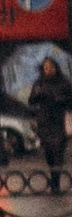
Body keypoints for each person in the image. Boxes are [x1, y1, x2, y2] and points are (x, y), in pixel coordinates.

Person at [29, 57, 68, 192]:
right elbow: (31, 102)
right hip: (44, 122)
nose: (48, 70)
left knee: (58, 152)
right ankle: (53, 177)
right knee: (49, 153)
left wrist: (60, 99)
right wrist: (38, 96)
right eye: (46, 67)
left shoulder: (63, 83)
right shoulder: (39, 83)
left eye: (51, 67)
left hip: (57, 121)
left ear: (55, 68)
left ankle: (56, 182)